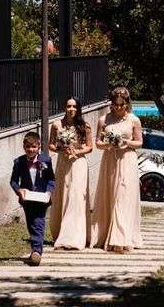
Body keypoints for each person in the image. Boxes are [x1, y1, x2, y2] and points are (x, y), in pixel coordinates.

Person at [90, 87, 144, 252]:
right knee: (110, 196)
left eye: (122, 104)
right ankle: (105, 234)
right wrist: (110, 145)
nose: (119, 108)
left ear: (127, 104)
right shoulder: (103, 120)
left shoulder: (134, 120)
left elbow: (139, 143)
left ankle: (120, 238)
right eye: (116, 104)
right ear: (111, 104)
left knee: (123, 196)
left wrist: (125, 142)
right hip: (110, 161)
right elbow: (97, 143)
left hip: (127, 159)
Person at [49, 96, 92, 250]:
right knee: (63, 196)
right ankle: (62, 233)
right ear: (65, 107)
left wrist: (76, 151)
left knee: (76, 197)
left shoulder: (84, 126)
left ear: (78, 108)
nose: (71, 109)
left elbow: (90, 147)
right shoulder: (56, 125)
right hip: (63, 163)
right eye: (69, 106)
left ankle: (75, 237)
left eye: (74, 106)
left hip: (79, 164)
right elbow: (51, 145)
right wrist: (62, 149)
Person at [10, 131, 55, 266]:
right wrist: (19, 190)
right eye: (28, 147)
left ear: (39, 147)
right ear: (24, 147)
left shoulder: (46, 160)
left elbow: (51, 179)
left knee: (39, 223)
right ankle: (35, 249)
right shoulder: (19, 162)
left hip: (42, 198)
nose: (31, 149)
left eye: (34, 147)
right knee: (31, 224)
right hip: (28, 199)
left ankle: (36, 251)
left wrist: (49, 192)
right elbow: (13, 181)